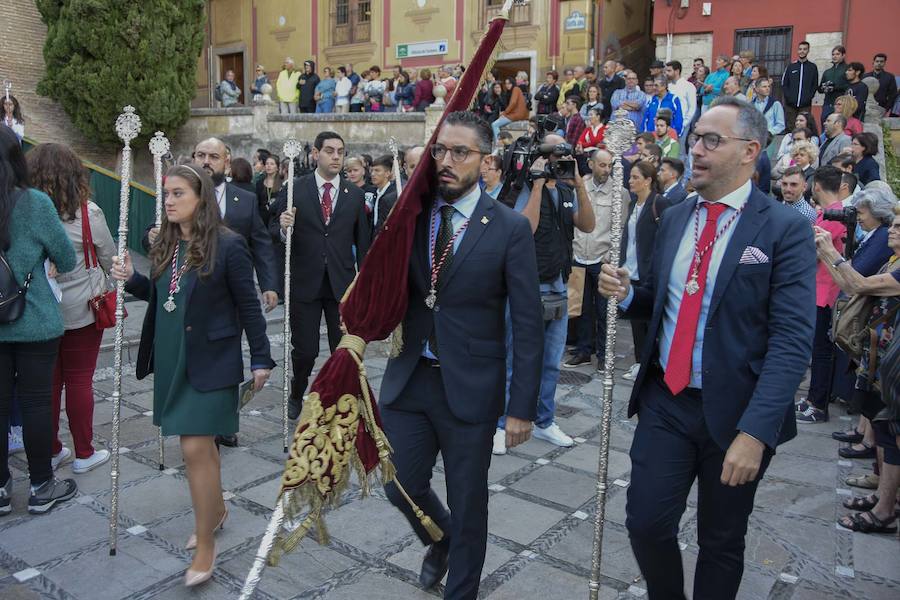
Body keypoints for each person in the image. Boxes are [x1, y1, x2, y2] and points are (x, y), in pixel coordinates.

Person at [599, 97, 816, 600]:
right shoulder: (673, 215)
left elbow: (791, 340)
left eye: (711, 140)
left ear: (750, 151)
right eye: (696, 137)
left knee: (722, 541)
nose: (695, 149)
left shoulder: (784, 229)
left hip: (737, 413)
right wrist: (630, 292)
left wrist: (756, 434)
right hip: (667, 401)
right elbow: (662, 298)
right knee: (646, 523)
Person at [378, 111, 542, 598]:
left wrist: (521, 406)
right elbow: (383, 282)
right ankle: (442, 536)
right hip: (410, 378)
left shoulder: (509, 228)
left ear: (486, 161)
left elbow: (528, 324)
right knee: (398, 485)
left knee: (470, 502)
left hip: (471, 386)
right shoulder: (413, 214)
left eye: (459, 153)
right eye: (439, 151)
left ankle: (461, 589)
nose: (445, 162)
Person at [111, 164, 273, 586]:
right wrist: (132, 279)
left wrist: (261, 358)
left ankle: (205, 544)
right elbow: (163, 294)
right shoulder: (165, 244)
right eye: (166, 194)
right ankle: (216, 510)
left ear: (200, 198)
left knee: (194, 449)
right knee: (203, 449)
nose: (168, 201)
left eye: (178, 193)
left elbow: (249, 306)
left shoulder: (229, 246)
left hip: (210, 359)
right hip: (172, 359)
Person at [494, 132, 596, 453]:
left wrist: (579, 183)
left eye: (563, 154)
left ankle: (544, 421)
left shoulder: (568, 187)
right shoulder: (521, 188)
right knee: (514, 358)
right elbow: (524, 228)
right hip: (527, 287)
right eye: (553, 154)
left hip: (559, 285)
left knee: (552, 362)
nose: (559, 161)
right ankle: (501, 422)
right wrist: (537, 183)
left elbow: (588, 225)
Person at [0, 127, 78, 516]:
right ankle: (41, 486)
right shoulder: (34, 203)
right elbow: (67, 259)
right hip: (33, 319)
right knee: (34, 403)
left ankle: (0, 490)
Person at [272, 132, 371, 420]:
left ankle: (341, 398)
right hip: (305, 281)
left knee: (342, 349)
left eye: (340, 151)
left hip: (342, 284)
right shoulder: (295, 189)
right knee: (305, 350)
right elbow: (275, 235)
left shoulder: (355, 195)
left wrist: (364, 282)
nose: (336, 156)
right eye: (330, 151)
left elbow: (363, 242)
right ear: (316, 154)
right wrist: (283, 226)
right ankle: (296, 391)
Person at [814, 209, 900, 534]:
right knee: (883, 431)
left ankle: (885, 508)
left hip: (892, 363)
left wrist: (830, 251)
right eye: (892, 224)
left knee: (890, 432)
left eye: (899, 227)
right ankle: (883, 496)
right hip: (881, 357)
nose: (892, 230)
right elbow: (854, 288)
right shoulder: (892, 263)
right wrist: (829, 257)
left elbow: (859, 283)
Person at [795, 166, 847, 424]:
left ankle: (818, 404)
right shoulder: (828, 213)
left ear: (815, 186)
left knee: (822, 350)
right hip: (818, 289)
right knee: (817, 349)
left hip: (826, 292)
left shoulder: (835, 216)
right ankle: (812, 400)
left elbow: (812, 251)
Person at [563, 149, 622, 369]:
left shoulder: (619, 192)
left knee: (604, 310)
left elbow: (621, 227)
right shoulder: (580, 188)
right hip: (579, 255)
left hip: (602, 258)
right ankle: (584, 351)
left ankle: (605, 357)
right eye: (602, 165)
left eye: (609, 165)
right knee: (582, 308)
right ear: (591, 164)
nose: (606, 170)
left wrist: (610, 256)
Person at [619, 160, 672, 381]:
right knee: (636, 323)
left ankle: (651, 363)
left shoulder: (659, 203)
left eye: (636, 177)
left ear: (648, 180)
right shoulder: (633, 205)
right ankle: (640, 362)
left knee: (649, 323)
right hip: (630, 269)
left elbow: (666, 237)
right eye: (630, 177)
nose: (631, 181)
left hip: (648, 270)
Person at [781, 41, 819, 130]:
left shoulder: (812, 67)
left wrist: (808, 97)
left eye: (804, 49)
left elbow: (814, 85)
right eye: (800, 49)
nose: (802, 51)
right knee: (791, 128)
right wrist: (789, 97)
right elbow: (784, 83)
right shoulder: (791, 66)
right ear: (797, 51)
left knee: (804, 127)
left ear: (808, 51)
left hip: (805, 105)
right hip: (790, 105)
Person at [819, 45, 849, 126]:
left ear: (843, 55)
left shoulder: (847, 69)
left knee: (839, 125)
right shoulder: (827, 72)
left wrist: (834, 87)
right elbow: (820, 88)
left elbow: (849, 85)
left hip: (841, 104)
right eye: (833, 54)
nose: (834, 56)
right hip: (828, 103)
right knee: (825, 124)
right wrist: (824, 88)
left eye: (837, 54)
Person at [492, 78, 529, 143]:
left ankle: (498, 143)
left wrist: (504, 113)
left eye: (509, 83)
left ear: (513, 83)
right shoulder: (512, 91)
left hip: (516, 114)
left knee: (494, 124)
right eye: (506, 84)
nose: (507, 85)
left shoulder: (515, 89)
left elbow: (513, 103)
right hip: (515, 114)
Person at [369, 154, 396, 237]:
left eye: (377, 171)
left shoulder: (393, 195)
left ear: (387, 173)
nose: (373, 174)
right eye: (372, 171)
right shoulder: (374, 193)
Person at [255, 154, 282, 226]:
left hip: (275, 220)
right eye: (267, 164)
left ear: (277, 167)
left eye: (272, 164)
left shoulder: (282, 184)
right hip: (261, 219)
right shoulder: (259, 183)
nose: (269, 166)